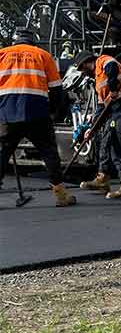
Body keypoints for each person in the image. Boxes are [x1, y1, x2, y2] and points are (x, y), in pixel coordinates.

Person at [0, 28, 76, 207]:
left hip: (7, 112)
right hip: (37, 112)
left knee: (3, 152)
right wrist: (52, 112)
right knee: (48, 151)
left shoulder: (2, 54)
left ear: (15, 41)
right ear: (33, 41)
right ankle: (60, 194)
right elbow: (57, 89)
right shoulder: (42, 55)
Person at [72, 50, 121, 199]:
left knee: (119, 147)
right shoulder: (98, 80)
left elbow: (112, 67)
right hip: (115, 112)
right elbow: (101, 109)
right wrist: (91, 130)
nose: (83, 72)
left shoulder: (103, 61)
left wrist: (113, 89)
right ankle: (102, 178)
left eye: (82, 68)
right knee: (105, 142)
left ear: (86, 63)